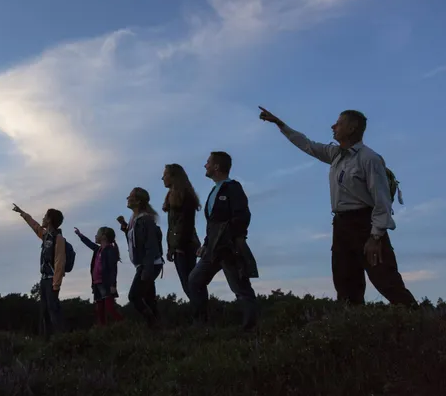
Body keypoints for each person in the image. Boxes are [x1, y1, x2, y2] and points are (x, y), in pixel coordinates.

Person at [258, 106, 417, 307]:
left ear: (352, 128)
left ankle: (419, 320)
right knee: (346, 285)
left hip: (365, 224)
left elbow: (382, 200)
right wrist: (280, 124)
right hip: (341, 225)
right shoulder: (335, 154)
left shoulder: (369, 158)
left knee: (386, 280)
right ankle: (351, 324)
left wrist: (376, 237)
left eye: (339, 123)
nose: (333, 126)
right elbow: (307, 144)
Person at [188, 152, 259, 329]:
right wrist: (206, 243)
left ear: (217, 166)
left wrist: (231, 239)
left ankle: (250, 329)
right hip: (212, 249)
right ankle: (201, 324)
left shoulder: (233, 188)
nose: (205, 165)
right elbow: (213, 224)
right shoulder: (214, 190)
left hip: (229, 248)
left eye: (208, 162)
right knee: (194, 280)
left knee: (241, 289)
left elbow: (242, 217)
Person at [13, 203, 67, 337]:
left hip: (52, 281)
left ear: (49, 220)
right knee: (44, 312)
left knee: (53, 311)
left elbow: (60, 262)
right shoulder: (45, 235)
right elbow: (35, 225)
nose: (42, 218)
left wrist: (56, 284)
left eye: (45, 216)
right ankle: (47, 341)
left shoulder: (58, 239)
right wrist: (22, 213)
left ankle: (61, 338)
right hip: (44, 280)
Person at [119, 187, 164, 326]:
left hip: (149, 264)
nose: (128, 198)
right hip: (143, 264)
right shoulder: (134, 219)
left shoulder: (145, 220)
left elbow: (151, 245)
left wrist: (147, 270)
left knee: (134, 296)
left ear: (138, 201)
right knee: (149, 299)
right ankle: (158, 329)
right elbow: (135, 242)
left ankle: (153, 324)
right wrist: (125, 228)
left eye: (130, 196)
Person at [162, 163, 202, 300]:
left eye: (165, 175)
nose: (163, 178)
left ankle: (202, 311)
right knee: (188, 285)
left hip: (185, 246)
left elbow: (187, 224)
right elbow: (173, 226)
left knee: (191, 284)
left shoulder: (185, 196)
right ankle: (201, 310)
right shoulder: (172, 196)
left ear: (174, 176)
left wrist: (179, 246)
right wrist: (171, 247)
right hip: (179, 246)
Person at [74, 226, 124, 325]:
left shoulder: (110, 250)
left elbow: (113, 269)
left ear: (103, 237)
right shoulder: (98, 249)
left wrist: (113, 285)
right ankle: (103, 329)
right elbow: (89, 244)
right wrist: (80, 235)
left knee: (109, 308)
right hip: (97, 284)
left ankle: (124, 324)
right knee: (99, 309)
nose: (95, 236)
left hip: (105, 284)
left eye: (97, 234)